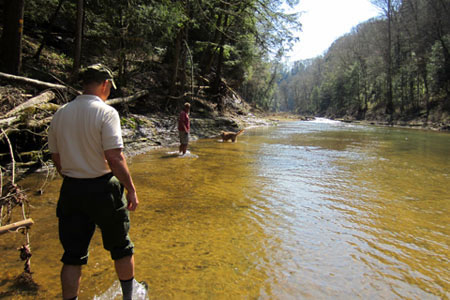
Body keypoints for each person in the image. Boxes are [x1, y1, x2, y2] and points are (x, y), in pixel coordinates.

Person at [48, 63, 139, 300]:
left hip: (71, 189)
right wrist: (130, 189)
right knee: (122, 248)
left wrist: (71, 176)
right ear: (105, 84)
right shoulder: (107, 113)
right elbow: (115, 157)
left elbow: (56, 157)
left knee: (72, 255)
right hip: (103, 188)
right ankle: (129, 297)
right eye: (109, 87)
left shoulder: (60, 113)